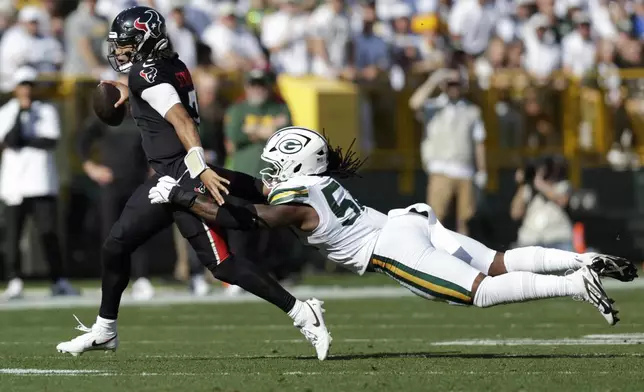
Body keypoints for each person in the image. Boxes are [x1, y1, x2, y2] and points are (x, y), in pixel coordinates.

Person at [149, 127, 638, 329]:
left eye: (278, 166)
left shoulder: (296, 201)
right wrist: (200, 174)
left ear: (296, 167)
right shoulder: (310, 184)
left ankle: (576, 282)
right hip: (407, 220)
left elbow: (252, 217)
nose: (272, 174)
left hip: (392, 247)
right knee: (495, 260)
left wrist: (181, 197)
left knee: (481, 291)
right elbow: (253, 189)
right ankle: (583, 258)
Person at [56, 6, 330, 361]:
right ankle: (105, 330)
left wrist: (199, 168)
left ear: (145, 40)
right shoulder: (172, 65)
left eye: (126, 43)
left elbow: (182, 119)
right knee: (116, 245)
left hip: (181, 176)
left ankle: (302, 312)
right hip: (168, 177)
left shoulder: (146, 73)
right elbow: (159, 90)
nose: (120, 51)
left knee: (223, 264)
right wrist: (128, 88)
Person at [0, 66, 79, 299]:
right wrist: (20, 115)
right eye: (22, 85)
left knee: (49, 232)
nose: (26, 90)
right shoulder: (6, 112)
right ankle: (14, 280)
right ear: (16, 88)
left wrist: (24, 138)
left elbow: (49, 141)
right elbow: (9, 140)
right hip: (14, 184)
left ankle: (58, 280)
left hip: (41, 181)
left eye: (29, 85)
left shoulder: (46, 111)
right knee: (13, 234)